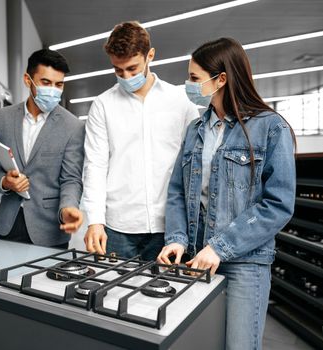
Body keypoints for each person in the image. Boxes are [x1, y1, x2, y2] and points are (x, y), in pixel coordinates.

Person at [157, 37, 296, 350]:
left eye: (194, 78)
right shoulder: (195, 129)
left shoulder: (271, 128)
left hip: (245, 264)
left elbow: (278, 205)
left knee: (239, 345)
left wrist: (220, 248)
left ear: (220, 79)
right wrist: (177, 239)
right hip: (196, 257)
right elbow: (179, 190)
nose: (188, 85)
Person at [83, 21, 199, 261]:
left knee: (165, 295)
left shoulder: (180, 101)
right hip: (118, 226)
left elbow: (194, 161)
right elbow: (95, 165)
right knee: (114, 295)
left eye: (133, 69)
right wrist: (94, 220)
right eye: (118, 70)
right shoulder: (103, 105)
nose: (126, 77)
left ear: (150, 56)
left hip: (169, 226)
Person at [0, 49, 85, 248]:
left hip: (49, 229)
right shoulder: (4, 117)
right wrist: (5, 181)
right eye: (46, 83)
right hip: (9, 224)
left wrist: (68, 208)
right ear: (28, 80)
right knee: (6, 279)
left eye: (59, 84)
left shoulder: (73, 127)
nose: (53, 90)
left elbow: (71, 178)